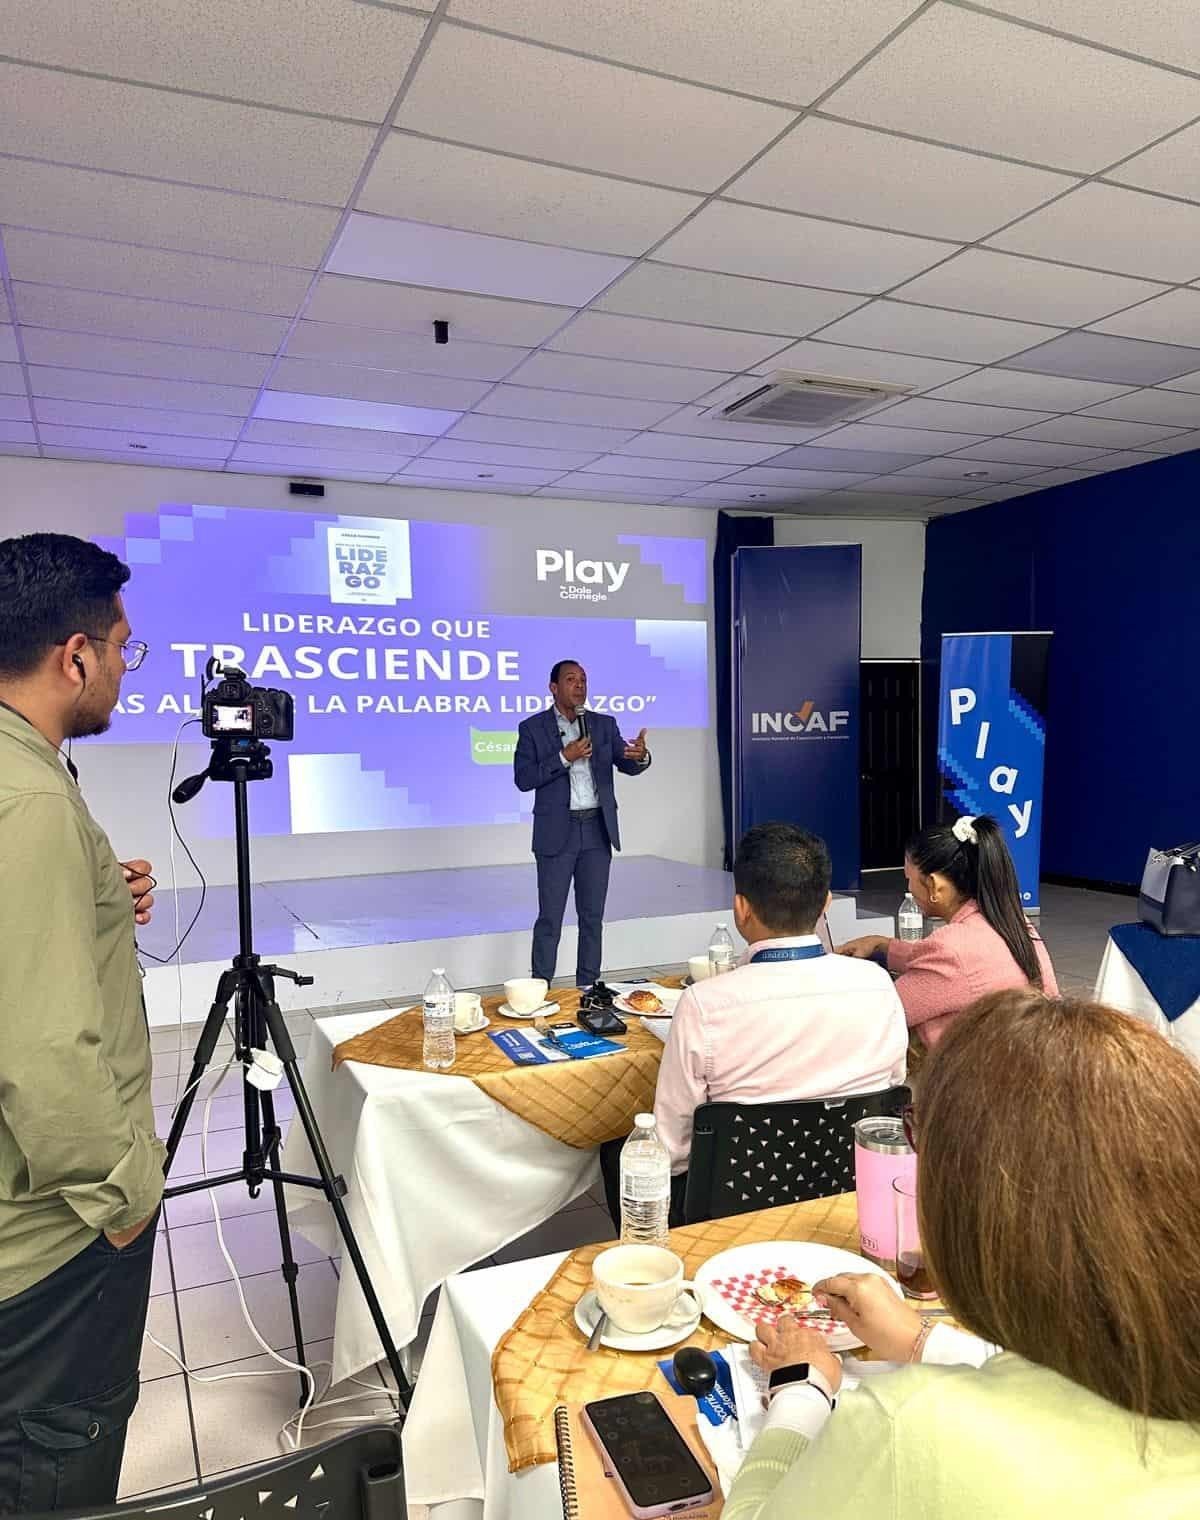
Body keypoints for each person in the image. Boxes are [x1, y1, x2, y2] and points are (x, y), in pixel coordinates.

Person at [724, 990, 1200, 1518]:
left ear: (975, 1204)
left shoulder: (910, 1426)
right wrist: (920, 1339)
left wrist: (800, 1388)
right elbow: (1069, 1388)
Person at [0, 532, 165, 1515]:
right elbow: (45, 1052)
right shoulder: (31, 805)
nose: (121, 667)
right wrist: (123, 1199)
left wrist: (100, 885)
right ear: (74, 655)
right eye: (121, 647)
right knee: (59, 1462)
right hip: (51, 1247)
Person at [601, 823, 907, 1226]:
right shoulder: (877, 985)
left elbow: (671, 1150)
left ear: (741, 909)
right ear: (826, 904)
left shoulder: (705, 1003)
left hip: (729, 1212)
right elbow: (890, 1098)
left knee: (613, 1151)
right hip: (849, 1200)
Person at [838, 814, 1057, 1046]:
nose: (908, 887)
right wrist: (883, 945)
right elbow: (955, 968)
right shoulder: (1013, 922)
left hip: (979, 1076)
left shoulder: (951, 947)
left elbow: (882, 1015)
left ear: (934, 885)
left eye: (909, 879)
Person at [513, 660, 650, 989]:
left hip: (596, 830)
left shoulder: (603, 725)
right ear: (554, 688)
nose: (579, 685)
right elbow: (524, 778)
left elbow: (627, 763)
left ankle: (588, 988)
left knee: (592, 917)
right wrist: (565, 757)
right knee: (550, 918)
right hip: (556, 833)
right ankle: (539, 988)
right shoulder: (532, 728)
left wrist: (640, 756)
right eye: (571, 679)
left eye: (584, 680)